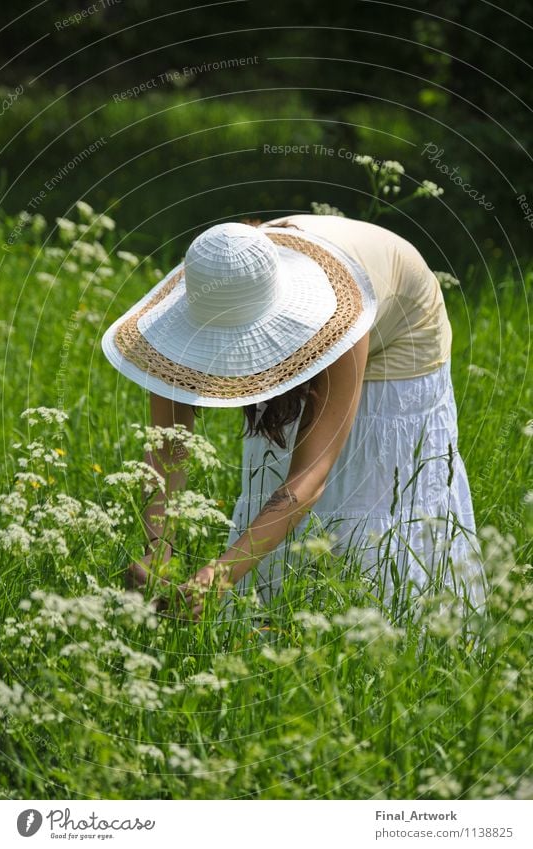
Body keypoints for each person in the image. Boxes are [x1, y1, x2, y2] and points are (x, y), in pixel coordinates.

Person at [101, 214, 487, 622]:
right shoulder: (217, 287)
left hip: (401, 335)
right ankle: (270, 624)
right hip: (315, 295)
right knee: (273, 464)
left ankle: (384, 632)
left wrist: (222, 574)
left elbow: (311, 478)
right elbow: (169, 444)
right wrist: (158, 546)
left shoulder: (340, 311)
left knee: (367, 501)